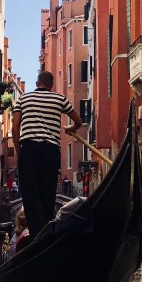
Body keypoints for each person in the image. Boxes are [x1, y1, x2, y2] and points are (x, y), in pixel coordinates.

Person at [11, 70, 84, 237]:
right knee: (48, 194)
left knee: (31, 196)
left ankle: (37, 236)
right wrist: (71, 128)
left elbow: (15, 128)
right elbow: (78, 121)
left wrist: (19, 151)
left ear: (37, 83)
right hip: (50, 151)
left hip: (29, 149)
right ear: (51, 85)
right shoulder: (60, 99)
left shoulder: (23, 98)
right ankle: (46, 234)